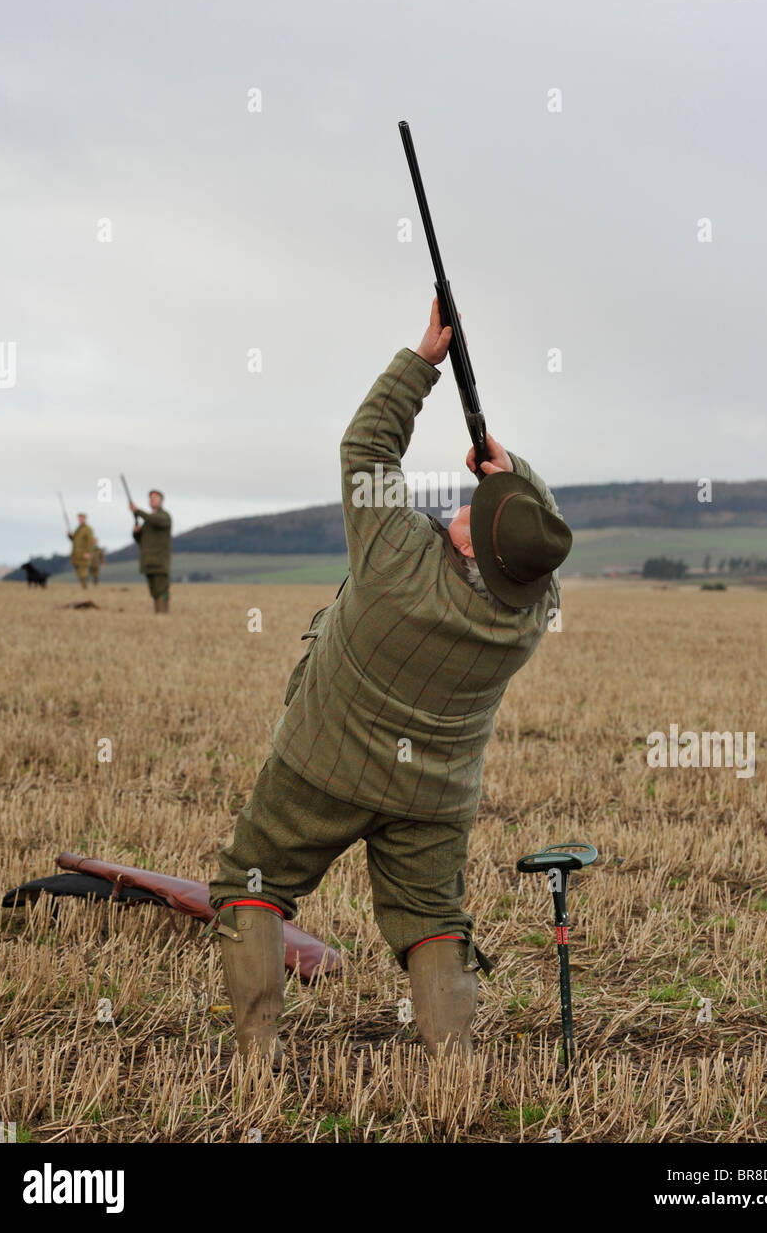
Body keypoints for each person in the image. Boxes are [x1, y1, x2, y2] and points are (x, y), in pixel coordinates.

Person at [206, 299, 572, 1065]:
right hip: (432, 796)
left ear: (474, 547)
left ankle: (258, 1062)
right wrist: (516, 473)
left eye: (483, 508)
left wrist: (425, 359)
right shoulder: (528, 615)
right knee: (434, 919)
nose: (475, 503)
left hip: (320, 765)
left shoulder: (396, 554)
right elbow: (544, 547)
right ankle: (454, 1068)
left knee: (251, 880)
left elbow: (367, 446)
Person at [130, 490, 172, 612]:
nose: (152, 500)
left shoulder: (164, 517)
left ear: (161, 500)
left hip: (160, 561)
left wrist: (138, 511)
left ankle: (163, 614)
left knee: (162, 590)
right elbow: (141, 540)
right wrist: (136, 533)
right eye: (151, 498)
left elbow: (155, 520)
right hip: (148, 561)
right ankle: (158, 614)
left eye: (155, 497)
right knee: (154, 591)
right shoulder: (148, 522)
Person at [68, 513, 95, 590]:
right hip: (76, 554)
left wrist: (88, 552)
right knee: (79, 571)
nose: (80, 519)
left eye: (81, 518)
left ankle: (85, 586)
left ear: (84, 519)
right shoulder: (78, 529)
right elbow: (74, 540)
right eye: (79, 518)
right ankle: (84, 585)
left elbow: (90, 542)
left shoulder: (88, 529)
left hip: (83, 553)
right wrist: (69, 535)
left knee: (83, 570)